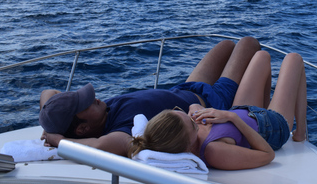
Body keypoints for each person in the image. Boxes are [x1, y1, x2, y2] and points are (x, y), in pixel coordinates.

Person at [39, 37, 261, 157]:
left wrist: (51, 125)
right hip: (212, 101)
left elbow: (48, 93)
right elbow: (98, 147)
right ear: (82, 130)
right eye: (85, 103)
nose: (93, 98)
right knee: (249, 44)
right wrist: (59, 140)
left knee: (226, 45)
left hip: (183, 88)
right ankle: (263, 116)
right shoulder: (122, 129)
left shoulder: (101, 113)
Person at [129, 50, 307, 170]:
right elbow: (267, 155)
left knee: (261, 55)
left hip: (242, 110)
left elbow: (192, 110)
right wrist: (232, 118)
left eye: (181, 112)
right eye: (192, 124)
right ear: (188, 144)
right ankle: (300, 132)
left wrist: (195, 107)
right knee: (294, 59)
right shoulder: (213, 151)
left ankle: (267, 102)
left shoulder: (179, 133)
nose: (193, 118)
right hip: (270, 128)